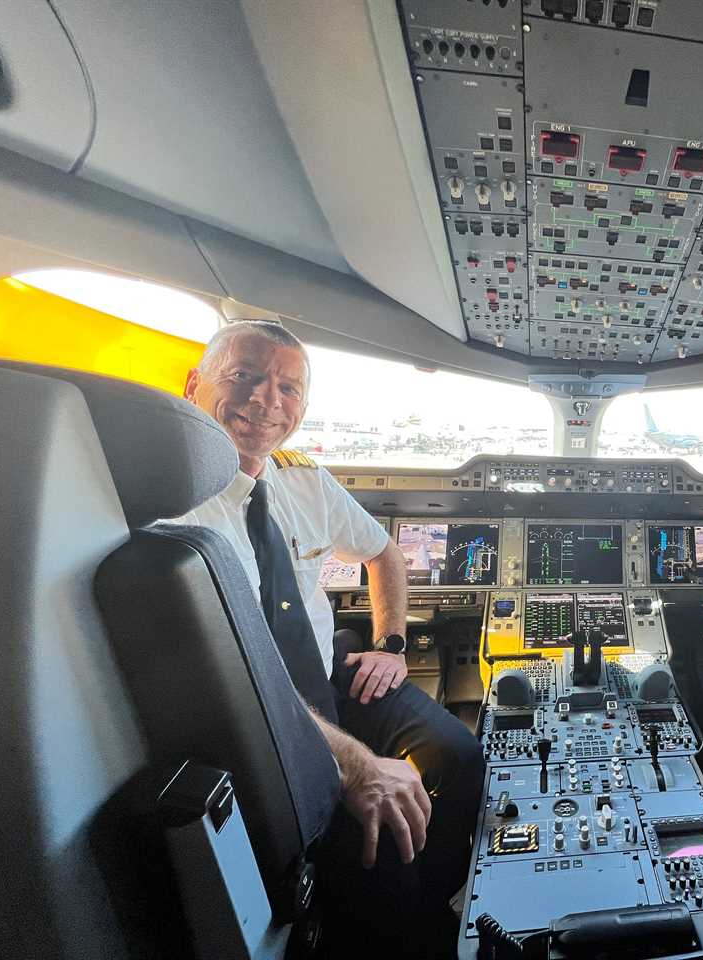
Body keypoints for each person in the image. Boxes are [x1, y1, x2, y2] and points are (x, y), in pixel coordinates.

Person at [176, 318, 483, 951]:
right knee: (381, 835)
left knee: (456, 755)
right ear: (193, 386)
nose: (267, 401)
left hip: (329, 672)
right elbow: (234, 680)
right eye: (245, 378)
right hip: (252, 710)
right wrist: (360, 764)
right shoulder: (172, 510)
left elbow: (385, 556)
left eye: (288, 388)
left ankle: (434, 904)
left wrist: (391, 644)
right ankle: (390, 922)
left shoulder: (302, 479)